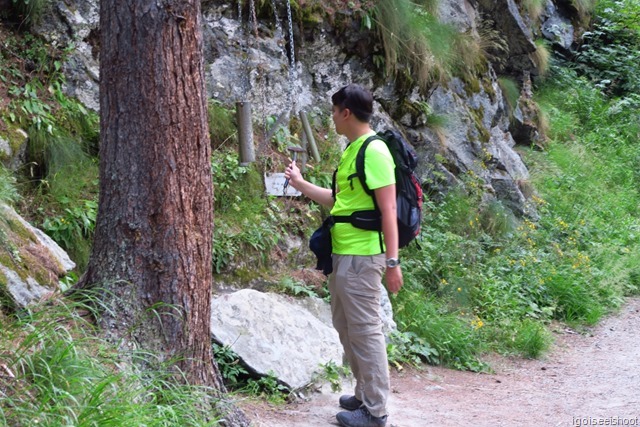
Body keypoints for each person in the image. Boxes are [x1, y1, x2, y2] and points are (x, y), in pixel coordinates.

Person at [284, 83, 403, 427]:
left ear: (346, 112)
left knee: (365, 330)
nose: (332, 118)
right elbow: (341, 202)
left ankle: (376, 411)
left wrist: (392, 263)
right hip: (342, 254)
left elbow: (389, 210)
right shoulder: (352, 150)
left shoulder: (375, 151)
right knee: (345, 326)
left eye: (334, 112)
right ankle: (364, 393)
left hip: (364, 256)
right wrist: (301, 184)